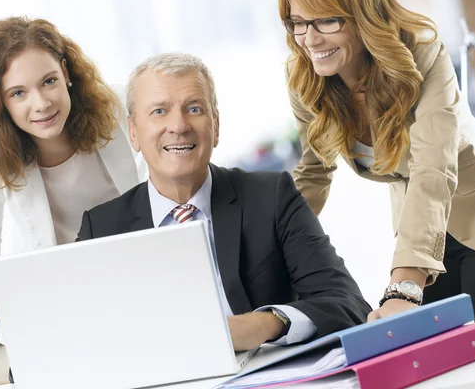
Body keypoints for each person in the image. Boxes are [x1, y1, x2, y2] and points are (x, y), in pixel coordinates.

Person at [278, 0, 475, 385]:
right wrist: (268, 249)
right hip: (420, 226)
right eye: (297, 22)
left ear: (363, 12)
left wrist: (404, 287)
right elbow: (313, 173)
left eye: (326, 20)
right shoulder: (305, 75)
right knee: (438, 369)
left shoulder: (423, 53)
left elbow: (433, 169)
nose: (310, 39)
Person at [76, 52, 370, 351]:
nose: (178, 125)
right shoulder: (100, 229)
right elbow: (80, 339)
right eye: (159, 112)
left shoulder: (271, 196)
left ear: (215, 126)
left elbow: (349, 304)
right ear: (134, 133)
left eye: (194, 108)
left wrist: (265, 324)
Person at [0, 17, 143, 388]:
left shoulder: (117, 107)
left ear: (66, 72)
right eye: (18, 93)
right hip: (52, 312)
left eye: (48, 82)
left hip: (133, 290)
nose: (41, 103)